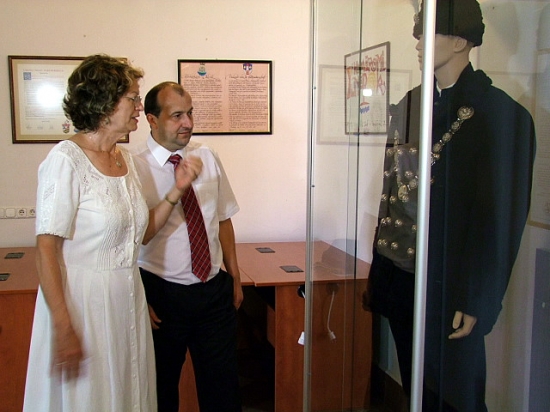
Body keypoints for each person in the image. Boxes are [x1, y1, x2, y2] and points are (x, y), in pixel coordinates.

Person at [364, 1, 536, 411]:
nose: (418, 43)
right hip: (403, 279)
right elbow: (394, 195)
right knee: (417, 391)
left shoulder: (502, 116)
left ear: (460, 41)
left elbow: (500, 222)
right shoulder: (410, 103)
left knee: (459, 398)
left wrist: (477, 298)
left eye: (428, 34)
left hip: (452, 286)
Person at [23, 54, 157, 411]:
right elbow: (46, 248)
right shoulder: (65, 160)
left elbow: (137, 235)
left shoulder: (127, 161)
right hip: (83, 304)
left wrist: (176, 192)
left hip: (127, 298)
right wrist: (63, 326)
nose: (139, 107)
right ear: (105, 103)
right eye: (133, 98)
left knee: (129, 390)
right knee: (90, 397)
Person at [133, 81, 243, 412]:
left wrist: (234, 277)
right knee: (161, 388)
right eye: (177, 115)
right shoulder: (135, 168)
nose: (188, 123)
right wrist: (139, 296)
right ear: (152, 119)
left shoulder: (206, 156)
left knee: (223, 389)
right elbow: (131, 239)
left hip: (213, 289)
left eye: (191, 113)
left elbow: (223, 218)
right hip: (162, 293)